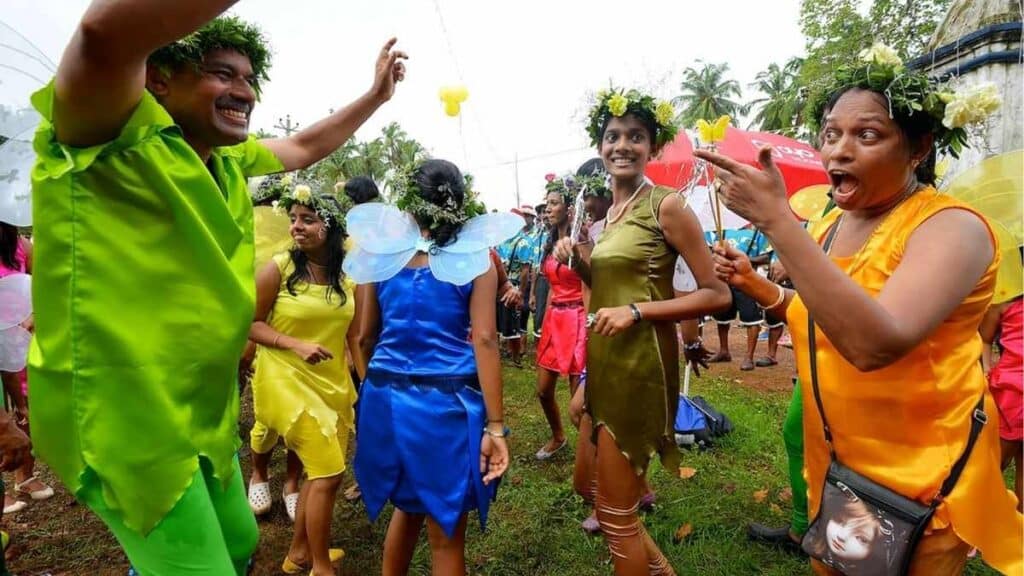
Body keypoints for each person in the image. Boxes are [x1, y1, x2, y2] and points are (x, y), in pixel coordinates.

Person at [27, 3, 406, 571]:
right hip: (125, 415)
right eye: (222, 74)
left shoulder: (227, 159)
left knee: (239, 543)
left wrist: (376, 97)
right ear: (159, 76)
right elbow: (103, 34)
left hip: (200, 412)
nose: (245, 92)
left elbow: (302, 147)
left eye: (250, 79)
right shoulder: (107, 129)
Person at [704, 44, 1022, 574]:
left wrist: (780, 224)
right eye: (831, 134)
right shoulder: (830, 226)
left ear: (918, 146)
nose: (839, 152)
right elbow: (817, 314)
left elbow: (874, 343)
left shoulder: (952, 228)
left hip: (919, 482)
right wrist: (755, 284)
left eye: (866, 135)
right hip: (843, 469)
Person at [556, 88, 731, 575]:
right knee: (584, 486)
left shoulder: (666, 205)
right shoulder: (607, 216)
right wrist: (581, 261)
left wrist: (637, 311)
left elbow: (717, 294)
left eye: (636, 137)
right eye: (613, 137)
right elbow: (613, 285)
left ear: (652, 148)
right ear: (600, 147)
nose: (623, 146)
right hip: (605, 361)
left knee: (615, 514)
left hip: (642, 367)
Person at [349, 159, 511, 576]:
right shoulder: (476, 259)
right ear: (460, 202)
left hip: (384, 397)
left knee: (406, 506)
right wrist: (495, 426)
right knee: (446, 528)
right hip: (445, 404)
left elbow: (365, 336)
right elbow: (486, 340)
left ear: (408, 204)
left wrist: (376, 391)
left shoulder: (381, 254)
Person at [247, 182, 354, 575]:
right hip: (284, 378)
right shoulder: (278, 267)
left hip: (331, 382)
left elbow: (354, 336)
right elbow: (250, 325)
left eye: (307, 219)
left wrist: (366, 378)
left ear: (331, 227)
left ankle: (297, 555)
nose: (297, 226)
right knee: (330, 472)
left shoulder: (348, 277)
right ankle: (321, 567)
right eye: (293, 219)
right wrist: (293, 344)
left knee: (318, 470)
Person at [0, 224, 53, 516]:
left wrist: (32, 314)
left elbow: (45, 284)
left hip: (17, 342)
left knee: (25, 407)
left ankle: (25, 476)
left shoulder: (20, 247)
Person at [533, 175, 586, 461]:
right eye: (547, 204)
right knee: (543, 390)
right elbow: (553, 286)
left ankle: (589, 450)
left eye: (553, 203)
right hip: (555, 319)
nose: (547, 209)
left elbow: (591, 282)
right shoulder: (550, 241)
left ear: (569, 207)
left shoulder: (583, 238)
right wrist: (544, 325)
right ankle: (558, 436)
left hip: (578, 318)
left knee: (578, 398)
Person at [705, 226, 771, 371]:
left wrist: (743, 260)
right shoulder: (720, 229)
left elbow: (766, 256)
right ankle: (723, 350)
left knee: (751, 318)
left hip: (747, 281)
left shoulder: (757, 229)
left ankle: (749, 357)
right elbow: (709, 250)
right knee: (722, 316)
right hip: (724, 280)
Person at [980, 293, 1023, 512]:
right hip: (1011, 394)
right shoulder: (1005, 303)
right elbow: (985, 338)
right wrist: (986, 370)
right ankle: (979, 521)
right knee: (996, 463)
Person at [495, 207, 536, 367]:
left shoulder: (519, 242)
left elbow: (526, 271)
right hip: (504, 287)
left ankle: (514, 356)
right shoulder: (510, 241)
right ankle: (507, 355)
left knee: (509, 322)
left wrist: (520, 291)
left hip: (508, 286)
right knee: (504, 322)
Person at [530, 201, 550, 338]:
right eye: (541, 212)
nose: (545, 214)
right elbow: (535, 266)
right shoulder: (538, 235)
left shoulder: (567, 232)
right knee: (540, 319)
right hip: (542, 281)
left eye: (546, 211)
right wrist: (532, 293)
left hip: (560, 281)